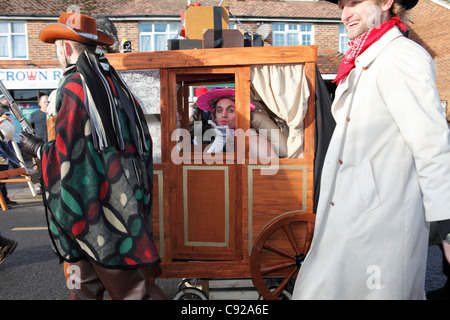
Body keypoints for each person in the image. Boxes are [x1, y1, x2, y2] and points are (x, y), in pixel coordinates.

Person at [292, 0, 450, 299]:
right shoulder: (364, 57)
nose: (344, 14)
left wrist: (447, 224)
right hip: (351, 212)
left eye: (354, 2)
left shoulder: (401, 56)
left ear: (386, 2)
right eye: (342, 6)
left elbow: (431, 144)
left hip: (382, 221)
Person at [19, 11, 166, 300]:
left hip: (97, 211)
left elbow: (70, 154)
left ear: (66, 47)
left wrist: (37, 149)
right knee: (83, 287)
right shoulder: (115, 85)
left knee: (133, 293)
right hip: (120, 201)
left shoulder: (76, 85)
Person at [196, 88, 279, 159]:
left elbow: (274, 172)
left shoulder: (253, 140)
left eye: (230, 110)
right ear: (215, 117)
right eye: (219, 110)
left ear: (241, 115)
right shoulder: (225, 138)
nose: (224, 115)